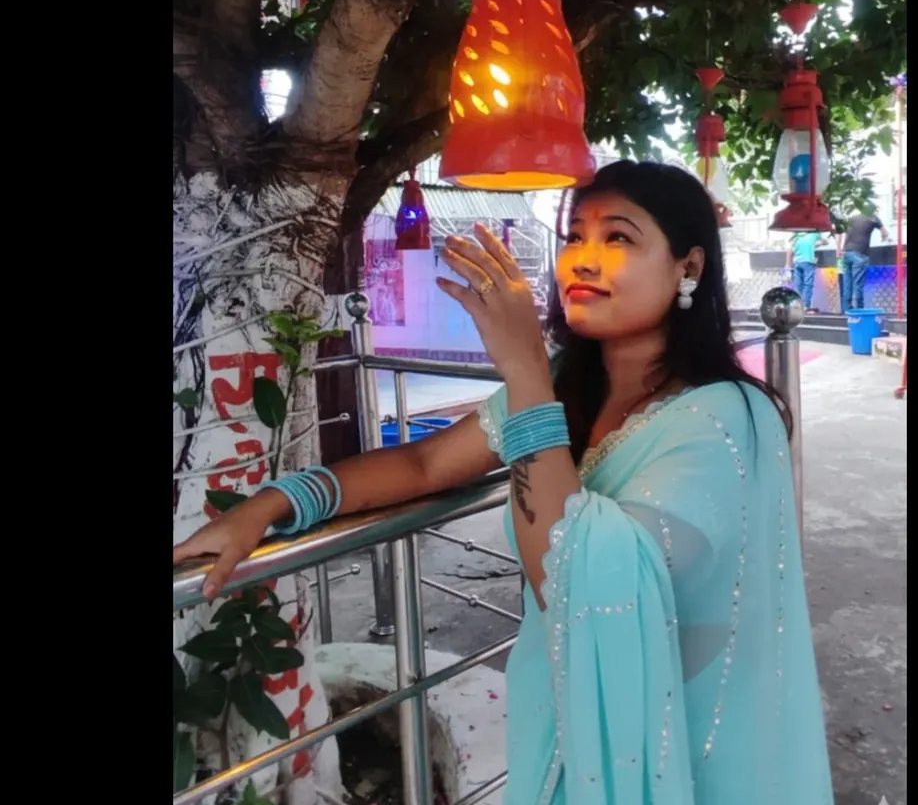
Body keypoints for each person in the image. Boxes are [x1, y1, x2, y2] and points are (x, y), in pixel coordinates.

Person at [174, 161, 835, 805]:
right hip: (562, 713)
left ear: (688, 267)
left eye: (618, 238)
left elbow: (574, 583)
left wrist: (522, 369)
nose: (582, 260)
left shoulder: (725, 422)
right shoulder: (569, 384)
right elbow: (424, 465)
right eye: (574, 236)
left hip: (688, 746)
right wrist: (273, 503)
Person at [842, 212, 889, 310]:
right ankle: (859, 309)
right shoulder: (873, 217)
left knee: (847, 282)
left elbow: (846, 234)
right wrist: (884, 238)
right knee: (858, 283)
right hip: (860, 253)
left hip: (846, 252)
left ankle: (847, 308)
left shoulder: (852, 218)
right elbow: (885, 233)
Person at [785, 230, 825, 313]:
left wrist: (788, 269)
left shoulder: (795, 235)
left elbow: (790, 250)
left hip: (797, 262)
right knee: (808, 284)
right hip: (808, 261)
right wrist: (815, 245)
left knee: (798, 285)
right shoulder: (814, 234)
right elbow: (825, 242)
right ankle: (805, 306)